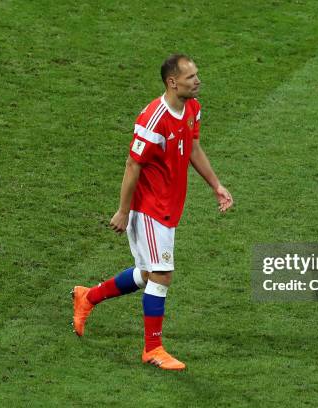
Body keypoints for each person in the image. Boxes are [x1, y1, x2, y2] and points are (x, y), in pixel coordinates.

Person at [71, 54, 233, 371]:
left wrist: (216, 185)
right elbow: (133, 165)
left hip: (170, 206)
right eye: (191, 77)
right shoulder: (153, 120)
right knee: (162, 274)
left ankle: (87, 297)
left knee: (147, 273)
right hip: (149, 209)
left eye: (197, 75)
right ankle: (153, 349)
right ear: (172, 82)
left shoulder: (192, 108)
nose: (197, 81)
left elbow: (194, 148)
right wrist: (123, 210)